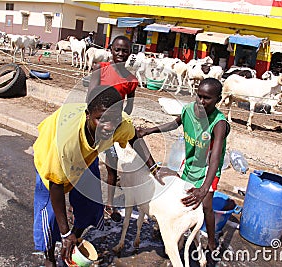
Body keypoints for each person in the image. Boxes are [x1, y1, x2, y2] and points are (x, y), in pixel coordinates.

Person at [33, 85, 172, 267]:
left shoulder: (119, 124)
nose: (108, 127)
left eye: (114, 120)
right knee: (50, 215)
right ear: (88, 115)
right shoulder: (65, 144)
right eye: (101, 120)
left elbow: (134, 137)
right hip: (51, 156)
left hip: (84, 158)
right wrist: (65, 232)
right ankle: (50, 256)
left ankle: (75, 242)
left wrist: (154, 167)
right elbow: (56, 186)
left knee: (90, 204)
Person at [137, 78, 230, 254]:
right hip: (189, 163)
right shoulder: (188, 110)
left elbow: (215, 157)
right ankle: (176, 236)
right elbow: (175, 123)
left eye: (207, 98)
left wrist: (204, 188)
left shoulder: (219, 123)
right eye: (199, 96)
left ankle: (211, 241)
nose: (201, 102)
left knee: (206, 205)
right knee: (181, 199)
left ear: (218, 99)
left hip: (208, 170)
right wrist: (149, 131)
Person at [87, 35, 138, 220]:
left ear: (130, 53)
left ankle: (109, 204)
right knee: (86, 163)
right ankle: (78, 205)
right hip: (93, 126)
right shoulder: (100, 69)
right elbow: (90, 97)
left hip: (112, 127)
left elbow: (130, 106)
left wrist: (122, 118)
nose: (121, 54)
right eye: (117, 50)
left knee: (112, 165)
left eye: (125, 50)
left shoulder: (131, 80)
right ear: (111, 50)